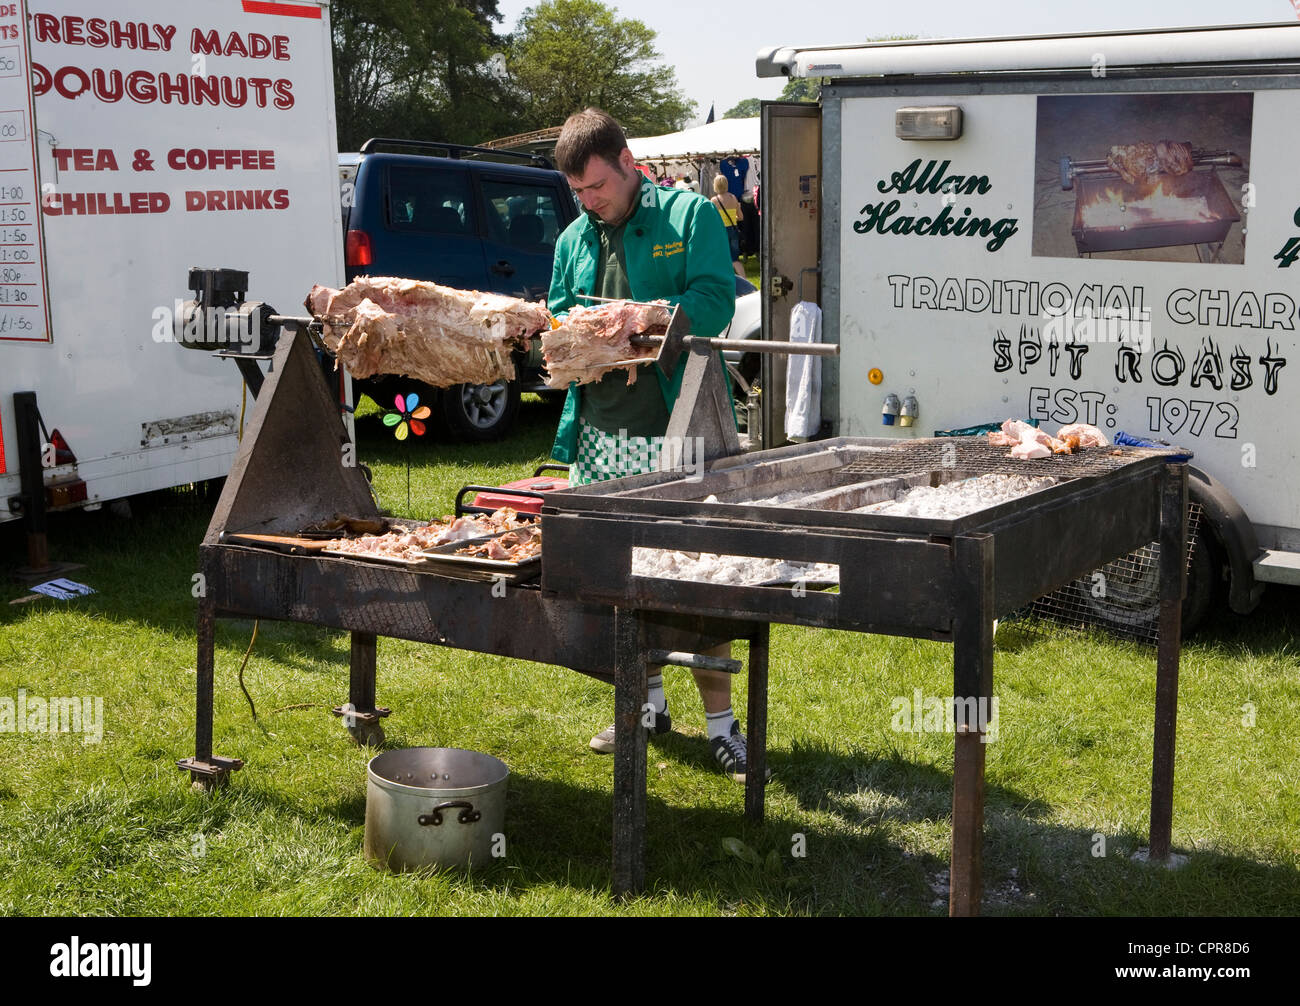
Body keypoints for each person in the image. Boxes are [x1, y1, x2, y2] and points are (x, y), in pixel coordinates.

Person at [548, 107, 764, 783]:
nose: (589, 202)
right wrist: (573, 334)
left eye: (597, 187)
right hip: (602, 435)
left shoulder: (690, 217)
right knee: (619, 577)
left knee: (699, 577)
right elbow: (558, 312)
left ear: (628, 161)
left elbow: (715, 300)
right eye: (578, 193)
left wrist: (648, 319)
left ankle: (725, 727)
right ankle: (644, 705)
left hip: (682, 429)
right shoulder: (573, 239)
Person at [710, 174, 746, 278]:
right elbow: (741, 217)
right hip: (733, 230)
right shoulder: (733, 197)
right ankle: (745, 281)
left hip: (720, 231)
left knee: (721, 257)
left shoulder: (714, 200)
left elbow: (712, 219)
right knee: (735, 258)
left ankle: (723, 279)